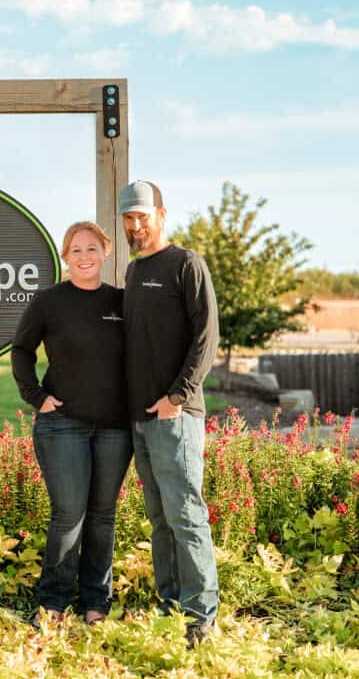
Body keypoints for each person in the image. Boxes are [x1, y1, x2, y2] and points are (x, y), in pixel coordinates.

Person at [11, 221, 133, 627]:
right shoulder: (49, 302)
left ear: (106, 253)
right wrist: (36, 396)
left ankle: (96, 603)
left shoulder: (122, 302)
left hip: (115, 429)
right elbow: (22, 350)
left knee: (103, 516)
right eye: (76, 250)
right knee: (69, 515)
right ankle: (55, 603)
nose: (84, 257)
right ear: (66, 257)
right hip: (63, 425)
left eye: (92, 249)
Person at [120, 180, 220, 646]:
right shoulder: (136, 273)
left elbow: (206, 338)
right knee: (160, 518)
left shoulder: (186, 264)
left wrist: (176, 397)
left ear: (161, 214)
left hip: (175, 417)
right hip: (140, 420)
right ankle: (170, 603)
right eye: (128, 218)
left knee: (186, 516)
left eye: (142, 216)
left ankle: (201, 614)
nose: (135, 225)